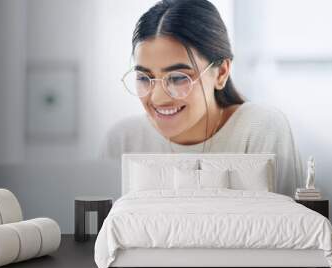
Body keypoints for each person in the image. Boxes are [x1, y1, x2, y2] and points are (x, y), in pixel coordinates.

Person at [99, 0, 304, 197]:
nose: (158, 98)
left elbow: (284, 228)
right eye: (144, 78)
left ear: (221, 72)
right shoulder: (123, 140)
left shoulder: (260, 128)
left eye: (178, 78)